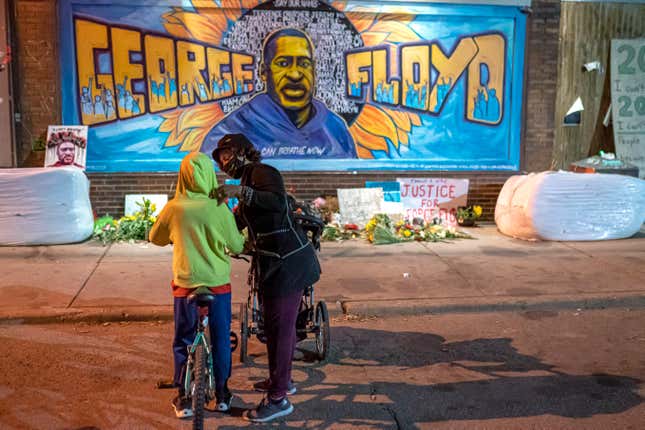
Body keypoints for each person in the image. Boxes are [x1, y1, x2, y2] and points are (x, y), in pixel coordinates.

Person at [212, 133, 321, 423]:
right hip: (270, 264)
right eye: (221, 159)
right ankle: (280, 381)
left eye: (228, 154)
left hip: (288, 263)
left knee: (282, 330)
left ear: (244, 151)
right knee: (273, 329)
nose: (225, 162)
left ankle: (278, 398)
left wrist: (240, 194)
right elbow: (239, 221)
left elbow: (276, 203)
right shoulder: (248, 178)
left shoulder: (263, 172)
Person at [149, 152, 245, 419]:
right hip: (217, 285)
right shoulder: (219, 207)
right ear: (209, 175)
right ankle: (223, 393)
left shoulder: (173, 208)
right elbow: (237, 245)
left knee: (183, 339)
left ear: (183, 176)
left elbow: (155, 237)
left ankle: (183, 397)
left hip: (186, 285)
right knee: (221, 337)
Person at [201, 28, 356, 159]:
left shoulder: (335, 128)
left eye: (304, 64)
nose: (295, 75)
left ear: (314, 71)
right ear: (263, 72)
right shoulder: (229, 133)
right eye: (283, 63)